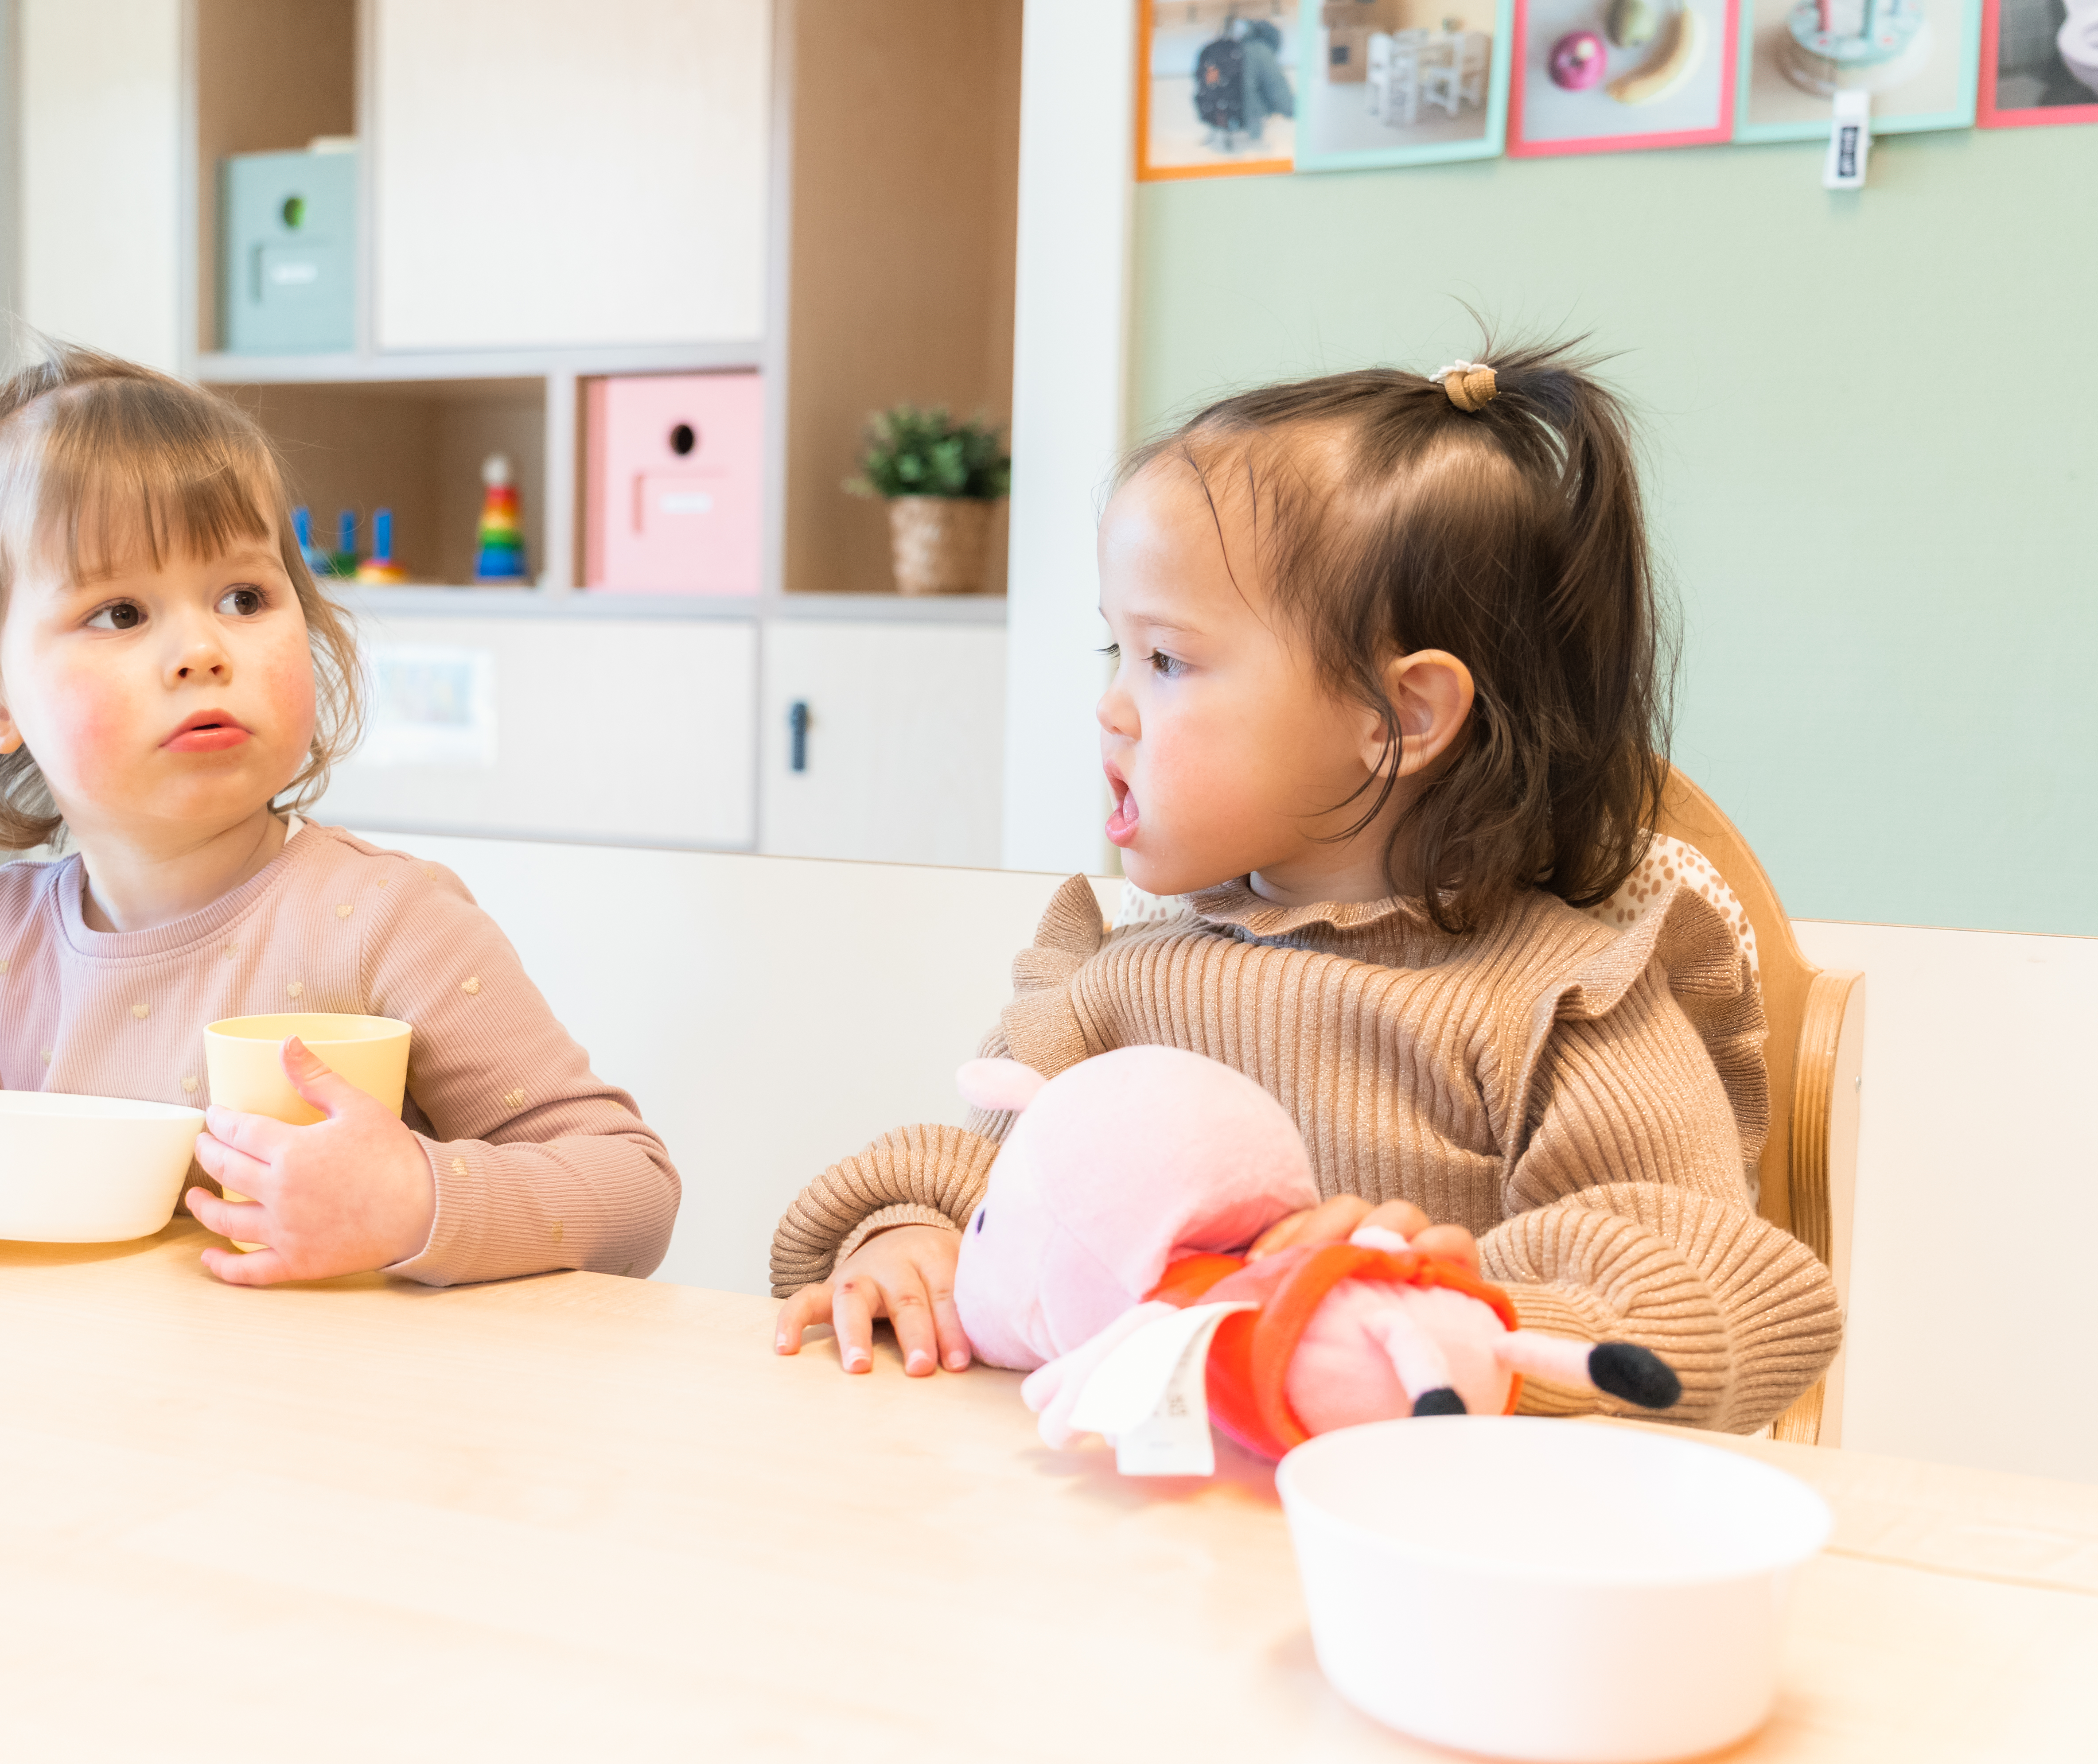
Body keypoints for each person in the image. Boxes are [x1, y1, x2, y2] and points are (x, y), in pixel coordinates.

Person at [768, 343, 1839, 1434]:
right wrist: (906, 1239)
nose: (1112, 707)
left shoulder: (1564, 1007)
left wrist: (1464, 1321)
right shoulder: (1116, 982)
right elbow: (973, 1179)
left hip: (1410, 1558)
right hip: (1131, 1540)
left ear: (1400, 718)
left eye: (1168, 662)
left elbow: (1706, 1293)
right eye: (1116, 649)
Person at [0, 342, 678, 1287]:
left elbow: (629, 1189)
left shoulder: (387, 921)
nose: (203, 648)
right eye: (120, 612)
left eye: (246, 597)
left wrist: (413, 1200)